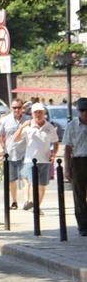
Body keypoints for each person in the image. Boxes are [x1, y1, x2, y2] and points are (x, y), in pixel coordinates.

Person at [13, 102, 59, 213]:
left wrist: (53, 154)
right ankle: (32, 203)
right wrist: (22, 126)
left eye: (40, 112)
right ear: (32, 114)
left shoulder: (49, 127)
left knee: (42, 186)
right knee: (33, 183)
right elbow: (15, 138)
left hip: (45, 160)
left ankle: (37, 206)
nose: (38, 115)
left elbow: (56, 142)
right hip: (31, 159)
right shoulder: (28, 126)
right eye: (35, 112)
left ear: (43, 113)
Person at [0, 98, 30, 209]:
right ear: (11, 108)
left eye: (19, 107)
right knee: (12, 180)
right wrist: (0, 148)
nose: (16, 110)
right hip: (10, 154)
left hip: (25, 153)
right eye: (14, 108)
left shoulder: (28, 120)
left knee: (25, 178)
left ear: (22, 108)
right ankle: (14, 202)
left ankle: (27, 201)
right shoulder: (5, 120)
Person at [63, 97, 87, 236]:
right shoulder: (72, 125)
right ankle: (83, 225)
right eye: (82, 110)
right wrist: (67, 168)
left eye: (86, 110)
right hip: (78, 161)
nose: (84, 113)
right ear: (77, 111)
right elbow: (67, 148)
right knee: (79, 195)